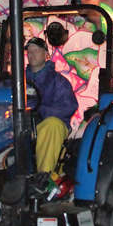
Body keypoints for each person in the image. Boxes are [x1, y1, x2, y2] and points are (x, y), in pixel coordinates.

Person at [23, 37, 78, 174]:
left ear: (46, 55)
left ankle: (44, 177)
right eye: (29, 51)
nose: (32, 54)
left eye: (36, 50)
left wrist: (38, 110)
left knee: (52, 125)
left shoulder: (59, 82)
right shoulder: (17, 80)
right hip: (23, 125)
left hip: (47, 126)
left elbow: (67, 108)